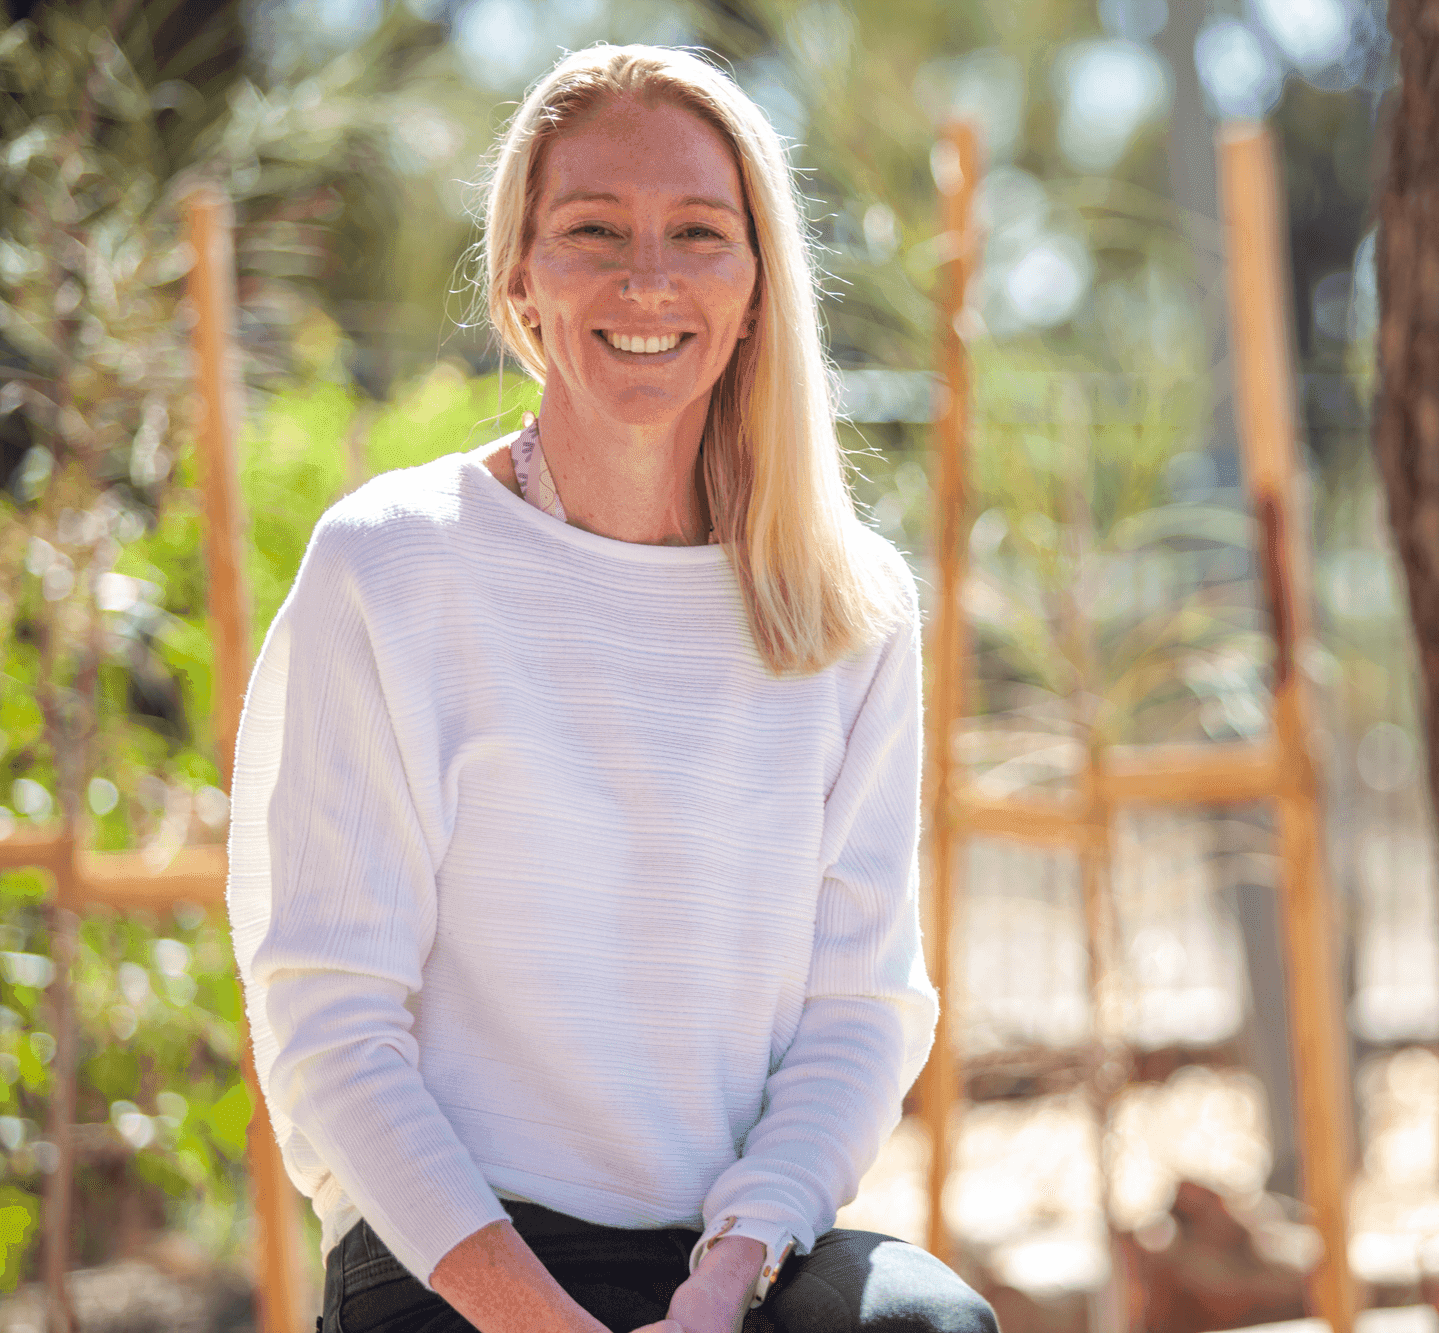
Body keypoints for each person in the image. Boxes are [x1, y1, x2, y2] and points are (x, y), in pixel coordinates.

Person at [226, 44, 994, 1333]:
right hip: (454, 1253)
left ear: (756, 289)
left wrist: (730, 1271)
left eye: (699, 232)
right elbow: (332, 1022)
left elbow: (859, 1008)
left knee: (931, 1323)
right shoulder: (393, 565)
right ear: (520, 279)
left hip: (730, 1255)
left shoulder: (851, 607)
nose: (649, 277)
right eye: (593, 229)